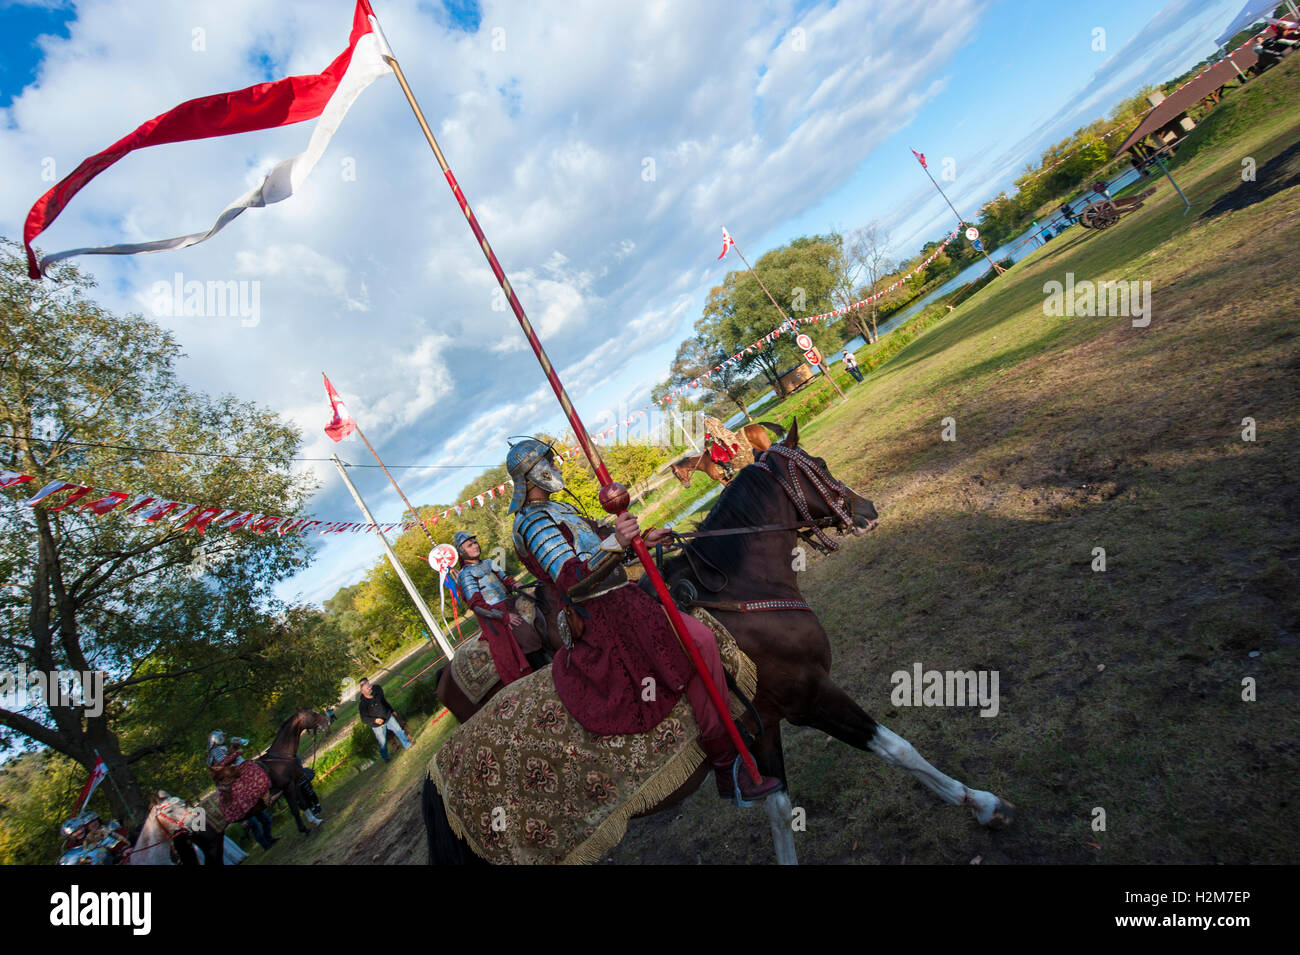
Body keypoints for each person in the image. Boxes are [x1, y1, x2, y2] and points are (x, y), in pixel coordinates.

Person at [506, 437, 782, 803]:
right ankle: (726, 761)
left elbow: (601, 545)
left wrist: (644, 539)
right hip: (602, 614)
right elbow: (572, 579)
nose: (556, 467)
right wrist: (617, 544)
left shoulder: (559, 510)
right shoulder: (532, 522)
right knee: (697, 643)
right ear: (533, 473)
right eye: (549, 462)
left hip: (622, 597)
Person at [454, 530, 549, 684]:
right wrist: (504, 617)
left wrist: (514, 584)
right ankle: (540, 671)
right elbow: (477, 606)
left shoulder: (489, 563)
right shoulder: (465, 575)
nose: (475, 546)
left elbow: (504, 580)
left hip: (509, 602)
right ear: (462, 552)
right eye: (469, 545)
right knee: (525, 634)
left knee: (539, 605)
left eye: (475, 543)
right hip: (494, 615)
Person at [206, 730, 276, 848]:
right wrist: (237, 753)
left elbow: (228, 755)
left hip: (232, 774)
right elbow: (224, 762)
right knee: (254, 824)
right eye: (221, 737)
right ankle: (266, 845)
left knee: (265, 820)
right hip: (228, 778)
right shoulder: (215, 751)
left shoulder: (219, 749)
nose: (223, 738)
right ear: (216, 739)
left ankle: (269, 839)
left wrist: (235, 746)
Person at [358, 679, 411, 761]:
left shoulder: (377, 692)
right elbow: (364, 719)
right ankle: (385, 757)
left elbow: (384, 702)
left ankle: (407, 745)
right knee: (382, 742)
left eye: (369, 686)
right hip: (377, 726)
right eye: (367, 688)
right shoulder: (363, 704)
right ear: (362, 691)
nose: (370, 688)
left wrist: (392, 711)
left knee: (399, 730)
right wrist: (375, 720)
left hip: (388, 716)